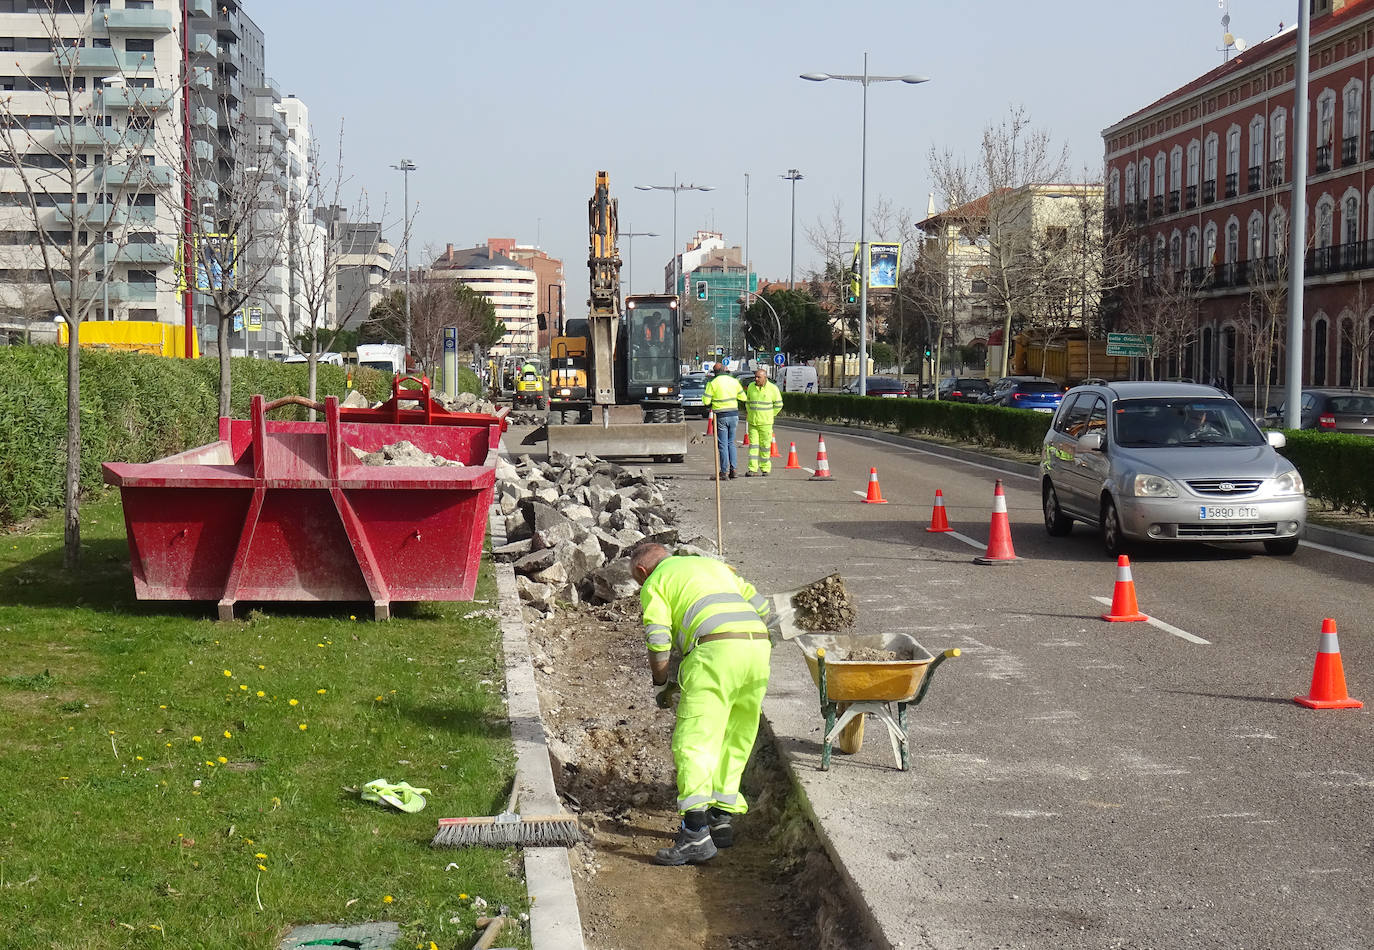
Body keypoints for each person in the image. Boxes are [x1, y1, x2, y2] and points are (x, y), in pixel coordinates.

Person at [630, 542, 776, 866]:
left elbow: (657, 639)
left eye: (637, 580)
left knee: (694, 740)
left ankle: (695, 833)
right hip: (757, 649)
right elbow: (765, 610)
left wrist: (661, 684)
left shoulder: (655, 582)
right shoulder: (715, 567)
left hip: (715, 653)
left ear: (642, 571)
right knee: (736, 734)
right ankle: (720, 819)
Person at [703, 362, 745, 479]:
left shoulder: (713, 383)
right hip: (734, 415)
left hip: (720, 416)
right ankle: (734, 470)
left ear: (715, 372)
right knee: (731, 443)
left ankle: (724, 472)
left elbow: (706, 401)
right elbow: (743, 397)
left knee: (722, 445)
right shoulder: (734, 381)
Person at [743, 367, 784, 476]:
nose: (756, 379)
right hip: (753, 422)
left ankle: (765, 468)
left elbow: (779, 404)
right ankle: (752, 469)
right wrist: (749, 412)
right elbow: (747, 402)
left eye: (758, 377)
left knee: (765, 447)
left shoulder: (773, 389)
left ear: (765, 378)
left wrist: (771, 414)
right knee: (753, 446)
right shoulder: (751, 387)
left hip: (766, 423)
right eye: (755, 377)